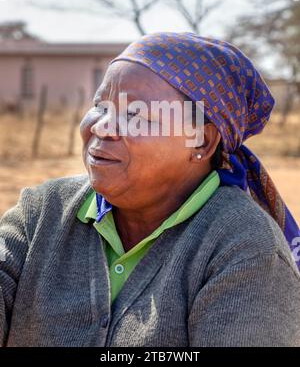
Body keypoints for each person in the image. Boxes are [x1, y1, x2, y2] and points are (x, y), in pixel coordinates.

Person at [0, 32, 299, 347]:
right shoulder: (43, 211)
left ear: (201, 141)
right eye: (100, 105)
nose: (102, 126)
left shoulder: (247, 248)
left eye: (135, 115)